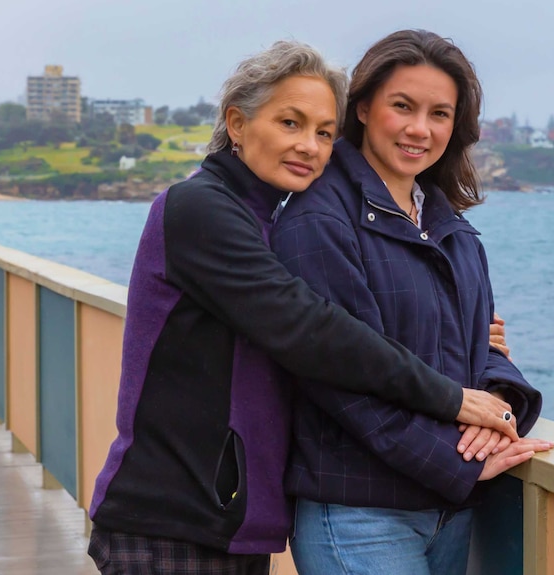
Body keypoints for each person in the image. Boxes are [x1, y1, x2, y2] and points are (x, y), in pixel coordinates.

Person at [87, 40, 520, 575]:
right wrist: (454, 399)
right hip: (172, 514)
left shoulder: (269, 216)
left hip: (235, 516)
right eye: (289, 123)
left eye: (322, 131)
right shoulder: (201, 209)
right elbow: (312, 330)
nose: (310, 147)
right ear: (237, 123)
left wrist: (485, 373)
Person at [270, 30, 551, 575]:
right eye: (403, 106)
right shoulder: (321, 218)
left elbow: (482, 346)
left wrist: (498, 405)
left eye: (440, 113)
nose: (420, 129)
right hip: (360, 516)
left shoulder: (449, 226)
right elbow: (334, 376)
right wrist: (459, 462)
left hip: (449, 513)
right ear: (364, 107)